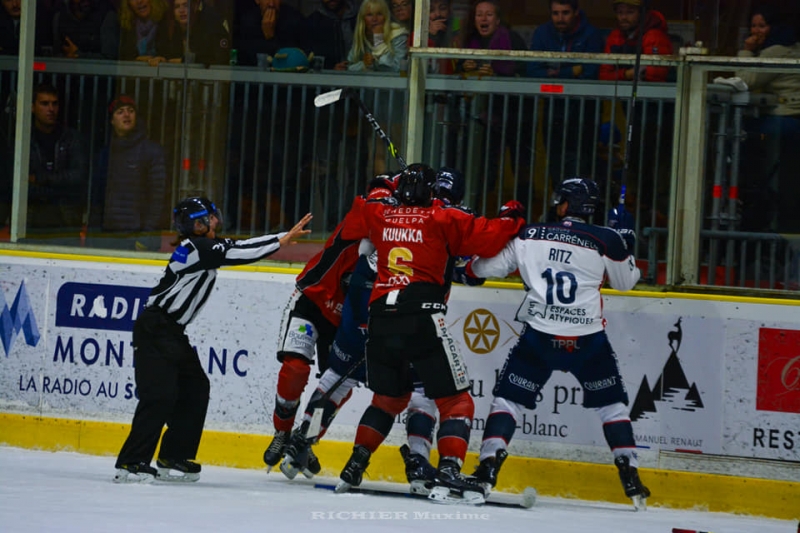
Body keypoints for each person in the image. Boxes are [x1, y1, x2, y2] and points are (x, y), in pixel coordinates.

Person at [333, 163, 525, 505]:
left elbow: (355, 219)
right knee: (456, 401)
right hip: (422, 316)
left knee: (388, 399)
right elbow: (493, 236)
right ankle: (450, 468)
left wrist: (380, 185)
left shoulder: (381, 214)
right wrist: (513, 215)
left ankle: (355, 462)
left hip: (379, 317)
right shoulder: (443, 217)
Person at [462, 177, 650, 508]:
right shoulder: (605, 239)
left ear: (566, 204)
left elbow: (484, 267)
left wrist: (469, 269)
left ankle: (488, 468)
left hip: (540, 337)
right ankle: (630, 471)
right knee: (612, 406)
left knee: (508, 401)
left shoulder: (530, 234)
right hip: (587, 340)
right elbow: (626, 284)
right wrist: (627, 243)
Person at [113, 197, 312, 483]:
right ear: (197, 225)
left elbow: (237, 246)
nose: (215, 222)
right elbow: (239, 253)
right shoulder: (197, 249)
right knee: (159, 396)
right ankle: (131, 462)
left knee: (195, 387)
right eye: (208, 219)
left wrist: (282, 238)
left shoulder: (202, 247)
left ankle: (174, 456)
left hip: (170, 331)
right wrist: (280, 242)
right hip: (155, 328)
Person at [261, 203, 364, 471]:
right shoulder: (357, 226)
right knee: (294, 370)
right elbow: (366, 205)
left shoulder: (398, 250)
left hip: (345, 321)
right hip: (312, 300)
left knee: (337, 386)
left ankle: (305, 440)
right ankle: (282, 433)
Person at [735, 5, 800, 235]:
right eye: (753, 25)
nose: (756, 30)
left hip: (782, 121)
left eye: (762, 25)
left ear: (774, 27)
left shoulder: (775, 51)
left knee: (740, 135)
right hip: (793, 121)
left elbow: (745, 79)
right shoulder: (793, 47)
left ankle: (747, 192)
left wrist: (746, 50)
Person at [528, 0, 604, 189]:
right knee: (555, 161)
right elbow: (532, 70)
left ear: (576, 11)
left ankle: (580, 207)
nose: (560, 18)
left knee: (581, 162)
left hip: (584, 109)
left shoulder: (592, 35)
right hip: (554, 107)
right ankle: (560, 206)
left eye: (565, 13)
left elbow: (591, 72)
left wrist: (554, 73)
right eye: (555, 13)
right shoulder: (542, 33)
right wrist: (571, 72)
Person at [90, 95, 167, 251]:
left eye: (130, 111)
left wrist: (146, 238)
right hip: (108, 237)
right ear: (112, 120)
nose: (126, 115)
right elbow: (97, 198)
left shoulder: (151, 151)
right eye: (120, 111)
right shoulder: (106, 153)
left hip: (137, 239)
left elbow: (158, 198)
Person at [27, 83, 89, 240]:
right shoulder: (24, 139)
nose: (51, 109)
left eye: (54, 104)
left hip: (66, 220)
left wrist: (42, 179)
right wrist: (58, 185)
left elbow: (78, 176)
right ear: (33, 107)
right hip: (32, 221)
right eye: (44, 103)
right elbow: (21, 183)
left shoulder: (71, 138)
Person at [599, 0, 672, 82]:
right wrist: (627, 74)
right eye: (620, 12)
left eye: (630, 12)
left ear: (641, 13)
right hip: (618, 92)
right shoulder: (615, 36)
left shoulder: (654, 36)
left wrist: (621, 75)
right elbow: (604, 76)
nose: (623, 17)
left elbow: (654, 77)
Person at [155, 0, 231, 65]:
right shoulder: (169, 28)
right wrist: (161, 58)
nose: (181, 10)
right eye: (177, 7)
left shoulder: (211, 25)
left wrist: (185, 60)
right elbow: (166, 55)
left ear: (195, 6)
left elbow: (220, 58)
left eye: (186, 5)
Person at [233, 0, 305, 67]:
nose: (271, 4)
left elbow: (293, 58)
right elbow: (246, 59)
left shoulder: (294, 20)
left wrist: (271, 37)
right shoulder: (247, 23)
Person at [346, 0, 408, 73]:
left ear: (385, 17)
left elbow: (399, 69)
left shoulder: (399, 36)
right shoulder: (362, 37)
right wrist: (364, 64)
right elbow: (349, 67)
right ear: (363, 19)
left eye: (379, 14)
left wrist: (378, 39)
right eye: (369, 15)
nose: (374, 19)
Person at [52, 0, 119, 59]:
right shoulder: (60, 16)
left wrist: (79, 55)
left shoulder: (107, 15)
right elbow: (54, 55)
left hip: (96, 71)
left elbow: (110, 59)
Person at [304, 0, 358, 71]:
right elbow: (308, 58)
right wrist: (330, 69)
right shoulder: (312, 22)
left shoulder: (361, 17)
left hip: (361, 76)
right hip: (326, 79)